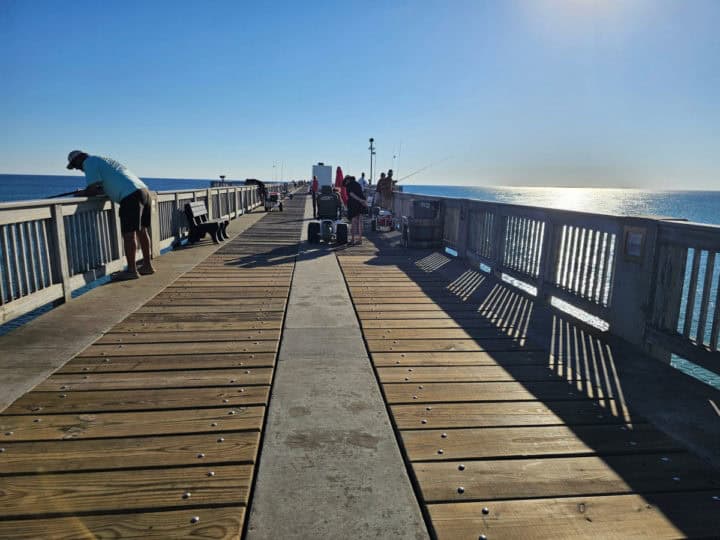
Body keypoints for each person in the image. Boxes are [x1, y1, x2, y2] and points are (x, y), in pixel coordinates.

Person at [66, 150, 154, 281]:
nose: (79, 169)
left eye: (76, 166)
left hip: (130, 196)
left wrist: (80, 194)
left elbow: (93, 190)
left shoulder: (89, 163)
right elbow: (103, 186)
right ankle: (147, 266)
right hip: (144, 192)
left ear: (79, 159)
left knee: (129, 235)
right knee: (142, 231)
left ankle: (132, 271)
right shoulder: (101, 160)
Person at [343, 175, 368, 245]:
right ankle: (360, 239)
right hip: (361, 203)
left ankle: (353, 239)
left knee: (353, 222)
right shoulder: (358, 184)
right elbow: (361, 194)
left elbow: (351, 194)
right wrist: (363, 201)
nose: (345, 182)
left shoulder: (349, 185)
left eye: (346, 181)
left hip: (354, 204)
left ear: (348, 180)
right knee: (360, 222)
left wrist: (360, 200)